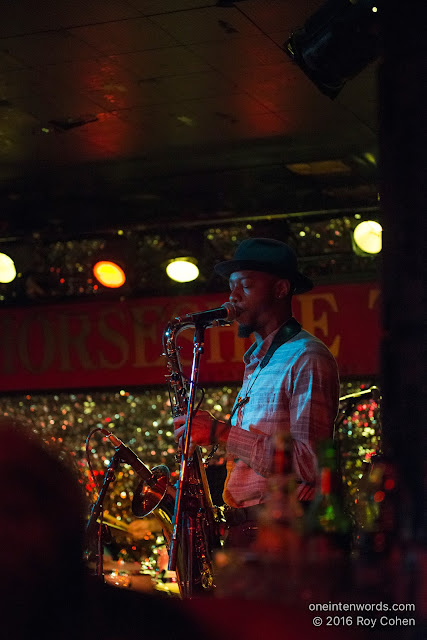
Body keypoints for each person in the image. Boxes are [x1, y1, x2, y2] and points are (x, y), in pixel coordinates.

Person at [174, 237, 340, 548]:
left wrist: (221, 433)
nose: (233, 296)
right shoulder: (257, 360)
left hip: (284, 532)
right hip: (251, 530)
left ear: (280, 289)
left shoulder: (306, 356)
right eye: (232, 286)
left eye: (246, 285)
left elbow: (310, 463)